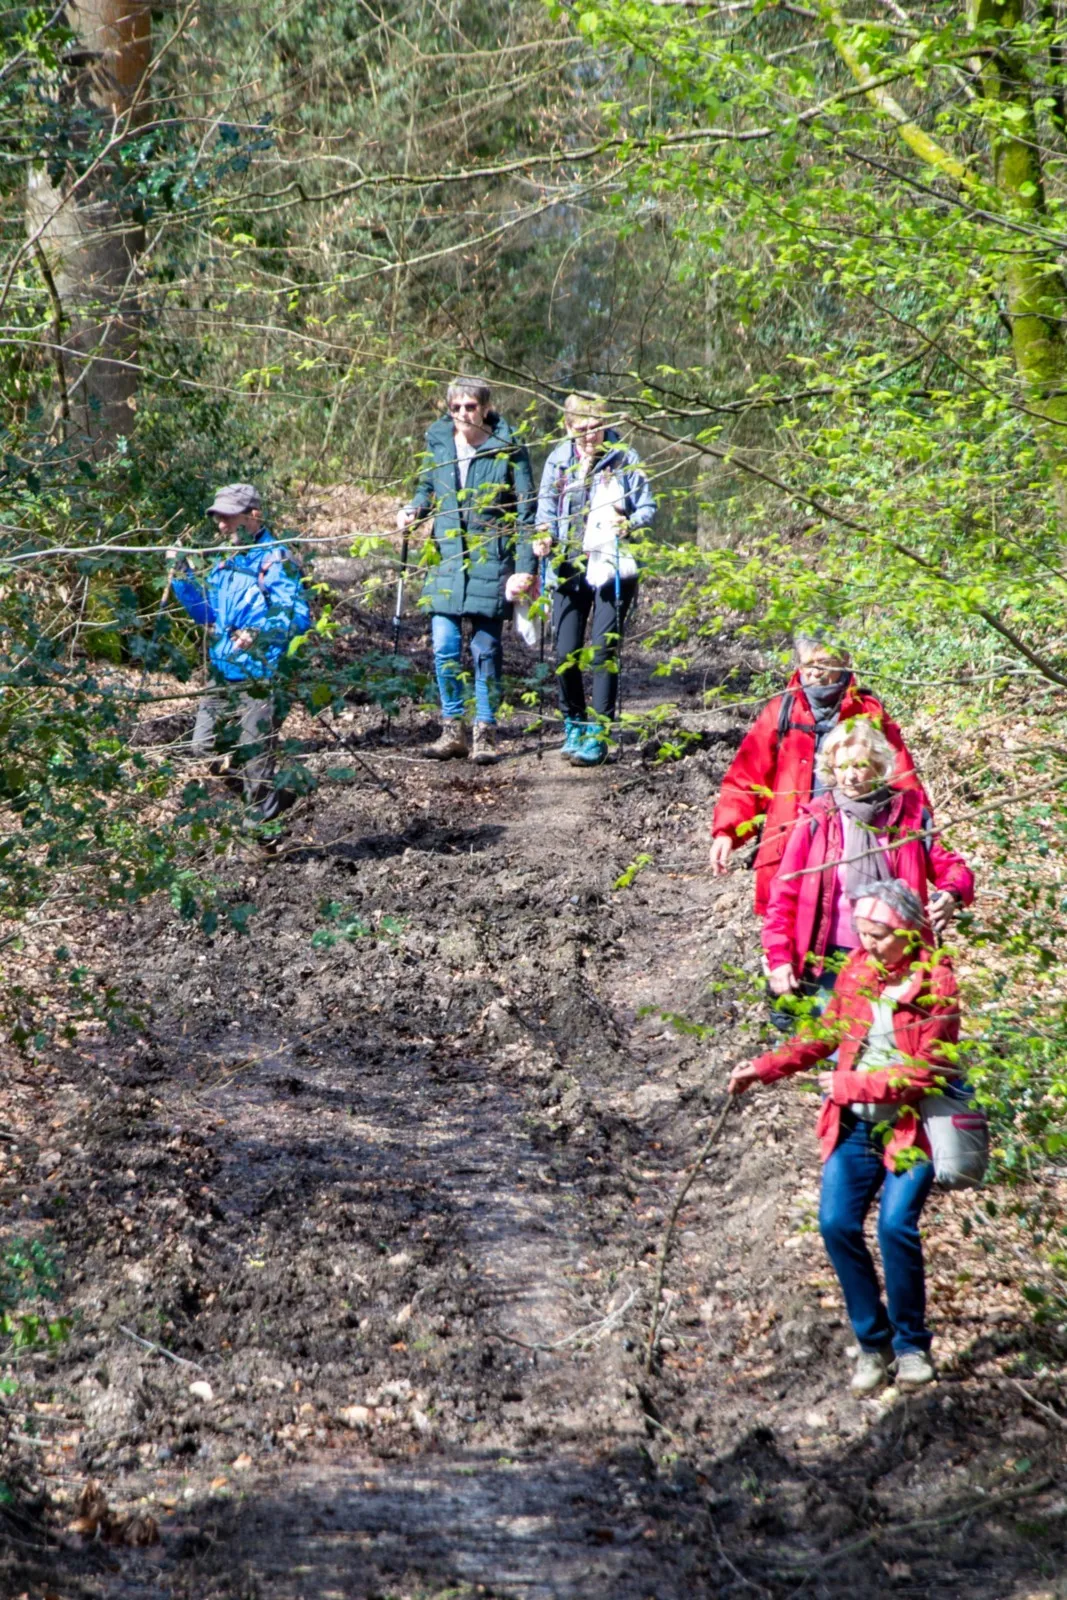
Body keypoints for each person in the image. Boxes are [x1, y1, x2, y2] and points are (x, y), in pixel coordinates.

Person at [729, 879, 961, 1394]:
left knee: (895, 1227)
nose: (868, 944)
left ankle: (912, 1347)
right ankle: (873, 1344)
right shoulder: (858, 969)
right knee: (836, 1224)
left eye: (879, 935)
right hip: (854, 1125)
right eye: (862, 933)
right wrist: (764, 1067)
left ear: (908, 931)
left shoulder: (936, 983)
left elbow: (927, 1072)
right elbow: (826, 1034)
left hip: (911, 1128)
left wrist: (847, 1084)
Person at [762, 719, 973, 1023]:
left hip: (897, 955)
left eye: (859, 766)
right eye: (841, 767)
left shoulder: (910, 814)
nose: (850, 776)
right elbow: (783, 896)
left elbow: (951, 866)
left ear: (877, 765)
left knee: (891, 1041)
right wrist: (779, 957)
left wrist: (952, 894)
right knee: (833, 1042)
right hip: (829, 959)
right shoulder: (817, 819)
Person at [709, 634, 924, 913]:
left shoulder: (867, 712)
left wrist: (923, 837)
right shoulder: (781, 711)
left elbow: (902, 778)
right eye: (807, 664)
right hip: (788, 847)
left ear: (844, 661)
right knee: (786, 924)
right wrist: (727, 832)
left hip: (854, 848)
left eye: (823, 663)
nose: (813, 672)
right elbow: (747, 776)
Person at [397, 377, 536, 766]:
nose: (462, 414)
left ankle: (485, 731)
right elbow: (427, 487)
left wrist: (525, 569)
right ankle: (452, 729)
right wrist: (413, 510)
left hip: (491, 559)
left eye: (470, 407)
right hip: (446, 557)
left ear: (485, 409)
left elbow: (526, 512)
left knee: (485, 650)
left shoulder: (509, 447)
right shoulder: (438, 440)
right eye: (455, 407)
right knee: (444, 645)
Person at [168, 483, 311, 822]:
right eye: (218, 518)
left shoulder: (276, 559)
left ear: (253, 516)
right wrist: (182, 575)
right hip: (223, 670)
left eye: (229, 517)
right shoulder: (225, 560)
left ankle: (259, 830)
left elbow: (298, 616)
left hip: (261, 674)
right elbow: (207, 613)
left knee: (255, 759)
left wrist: (260, 633)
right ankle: (276, 799)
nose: (221, 525)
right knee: (202, 747)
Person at [533, 394, 656, 767]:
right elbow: (545, 510)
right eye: (583, 428)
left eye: (598, 427)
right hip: (568, 566)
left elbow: (648, 507)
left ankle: (600, 735)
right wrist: (543, 536)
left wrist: (628, 522)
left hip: (612, 565)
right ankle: (574, 722)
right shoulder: (558, 460)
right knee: (565, 652)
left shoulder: (625, 458)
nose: (591, 435)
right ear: (568, 427)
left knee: (603, 651)